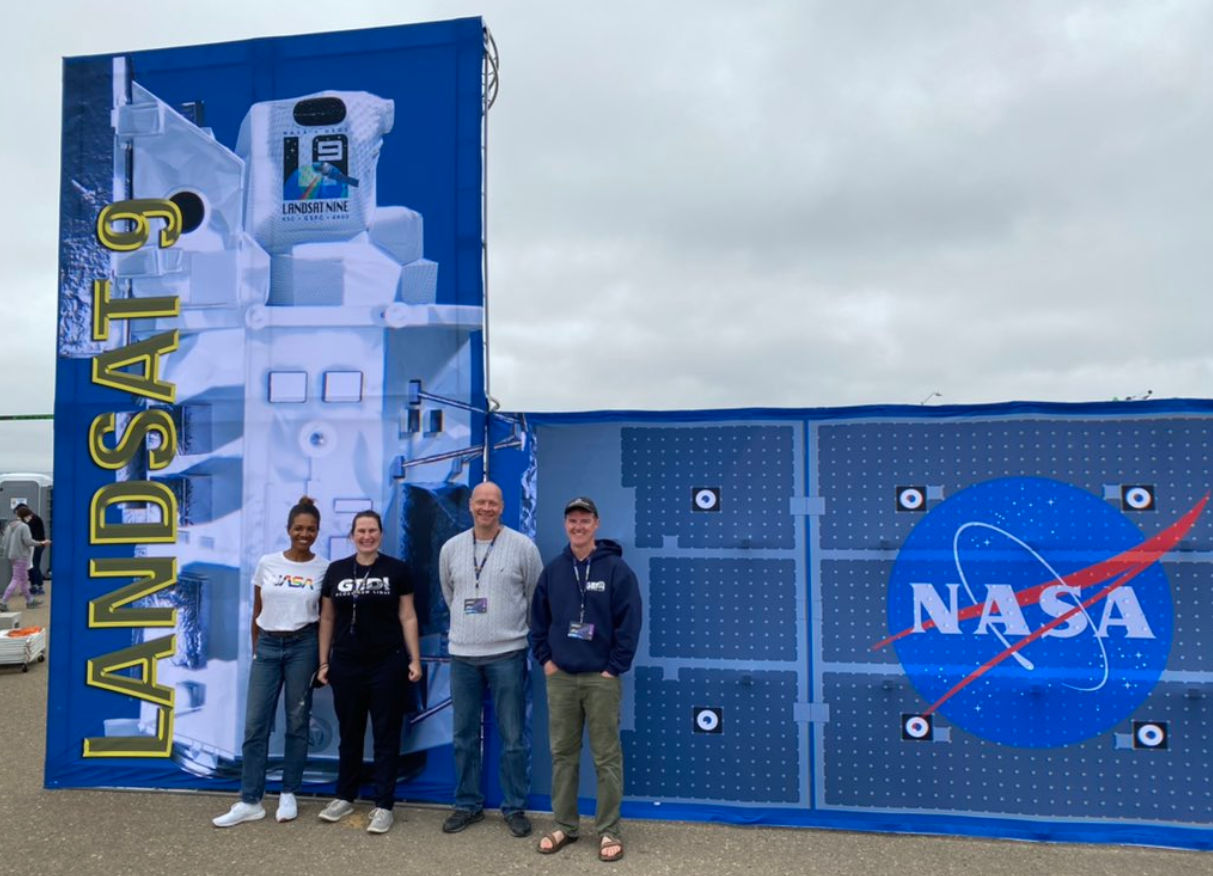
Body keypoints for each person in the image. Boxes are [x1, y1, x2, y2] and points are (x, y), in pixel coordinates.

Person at [531, 497, 642, 863]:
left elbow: (630, 621)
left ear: (596, 524)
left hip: (600, 678)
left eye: (585, 520)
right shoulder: (554, 571)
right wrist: (547, 661)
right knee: (562, 754)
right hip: (561, 678)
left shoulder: (616, 569)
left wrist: (614, 667)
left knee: (606, 757)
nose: (578, 526)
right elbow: (538, 622)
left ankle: (609, 830)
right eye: (572, 521)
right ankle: (565, 824)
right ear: (565, 525)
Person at [212, 497, 329, 827]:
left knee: (297, 722)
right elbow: (257, 611)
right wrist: (256, 651)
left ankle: (289, 793)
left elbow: (326, 619)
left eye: (310, 529)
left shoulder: (324, 568)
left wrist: (322, 660)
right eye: (298, 528)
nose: (304, 534)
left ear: (317, 532)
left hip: (302, 646)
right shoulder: (268, 563)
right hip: (267, 646)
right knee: (255, 726)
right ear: (288, 529)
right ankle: (251, 800)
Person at [438, 481, 543, 838]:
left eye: (493, 502)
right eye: (480, 501)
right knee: (463, 736)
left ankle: (513, 807)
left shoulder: (522, 547)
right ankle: (467, 804)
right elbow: (449, 593)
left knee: (513, 736)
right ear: (470, 505)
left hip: (507, 654)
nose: (486, 508)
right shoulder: (451, 548)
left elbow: (535, 598)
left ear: (502, 506)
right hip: (463, 656)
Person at [316, 510, 423, 835]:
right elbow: (327, 620)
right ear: (352, 535)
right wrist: (323, 662)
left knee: (386, 735)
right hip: (346, 664)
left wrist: (414, 660)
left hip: (387, 663)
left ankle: (383, 805)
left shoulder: (397, 570)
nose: (367, 536)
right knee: (350, 733)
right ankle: (344, 795)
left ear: (381, 534)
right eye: (361, 531)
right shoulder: (335, 571)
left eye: (372, 530)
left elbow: (408, 616)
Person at [1, 507, 50, 613]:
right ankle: (3, 602)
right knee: (16, 579)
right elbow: (28, 541)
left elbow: (5, 540)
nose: (30, 518)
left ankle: (30, 600)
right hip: (21, 556)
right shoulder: (24, 527)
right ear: (25, 516)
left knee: (24, 579)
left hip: (12, 555)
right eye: (29, 516)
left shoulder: (11, 525)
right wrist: (41, 543)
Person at [21, 506, 47, 596]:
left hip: (36, 544)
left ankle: (38, 586)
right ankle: (36, 586)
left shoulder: (32, 519)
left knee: (34, 565)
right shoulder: (33, 518)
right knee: (32, 565)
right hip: (37, 543)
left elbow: (31, 535)